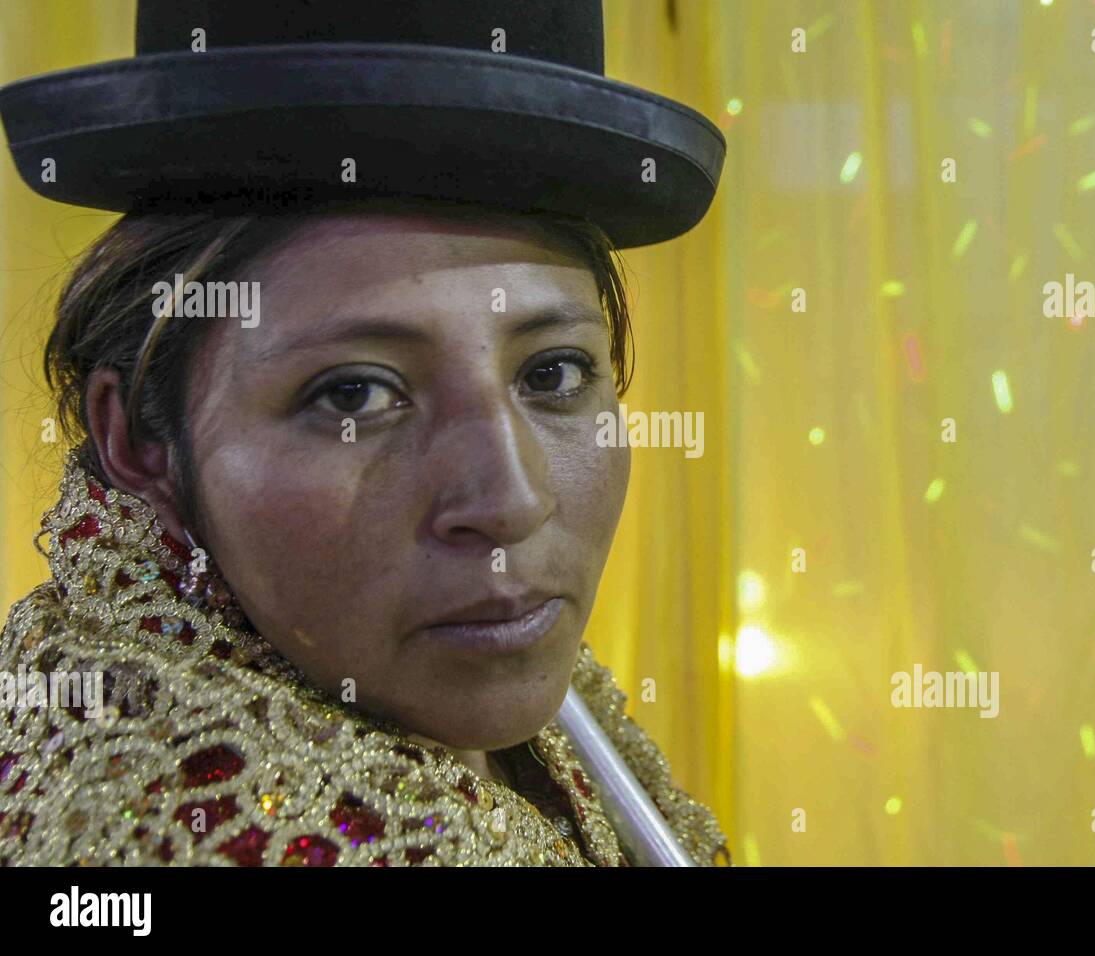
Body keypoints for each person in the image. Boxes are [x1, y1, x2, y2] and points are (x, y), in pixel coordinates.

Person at [0, 0, 729, 866]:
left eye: (553, 374)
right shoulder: (171, 826)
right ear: (138, 443)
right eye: (353, 395)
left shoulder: (500, 709)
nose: (511, 500)